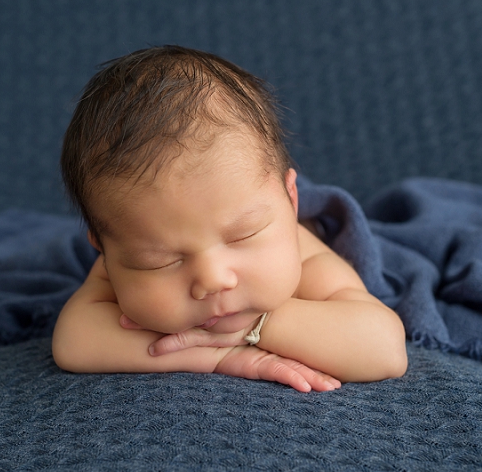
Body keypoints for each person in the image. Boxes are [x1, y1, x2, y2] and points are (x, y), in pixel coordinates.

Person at [52, 46, 407, 392]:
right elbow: (73, 342)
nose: (212, 279)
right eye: (161, 261)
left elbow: (384, 349)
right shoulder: (127, 248)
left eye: (242, 235)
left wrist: (257, 327)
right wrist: (221, 357)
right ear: (105, 251)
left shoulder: (307, 259)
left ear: (290, 201)